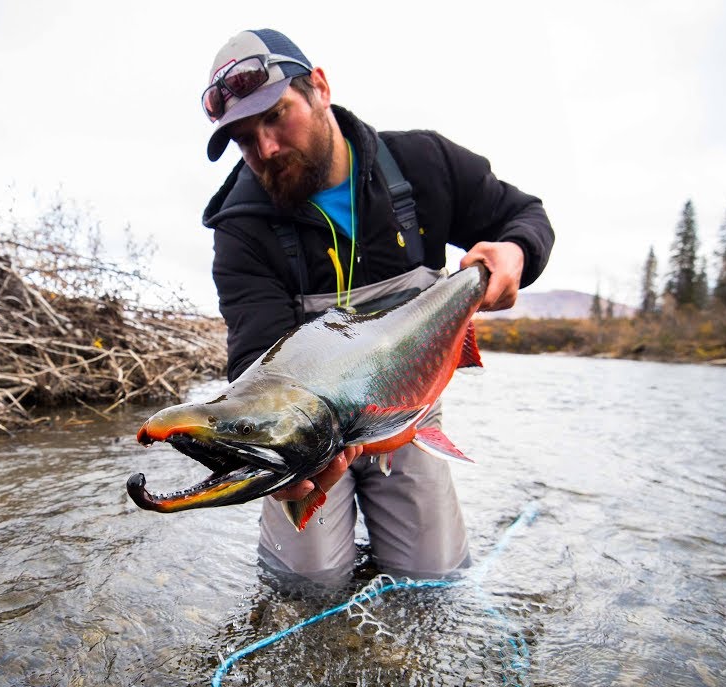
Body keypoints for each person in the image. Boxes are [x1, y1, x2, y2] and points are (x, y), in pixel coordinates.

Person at [199, 28, 555, 585]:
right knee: (307, 583)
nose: (265, 148)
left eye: (276, 116)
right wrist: (282, 467)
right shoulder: (241, 227)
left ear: (319, 88)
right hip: (313, 427)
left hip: (410, 407)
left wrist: (516, 252)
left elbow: (525, 216)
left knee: (434, 578)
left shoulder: (424, 163)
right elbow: (256, 362)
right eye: (245, 138)